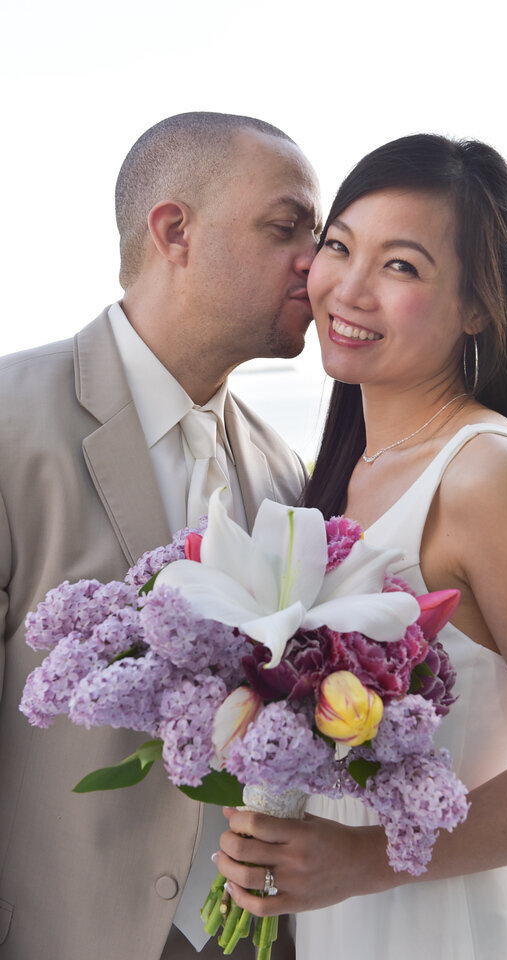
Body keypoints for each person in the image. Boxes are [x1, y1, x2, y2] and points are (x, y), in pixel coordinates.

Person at [216, 134, 507, 958]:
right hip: (340, 921)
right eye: (339, 247)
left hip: (447, 924)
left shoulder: (483, 474)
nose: (349, 287)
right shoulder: (338, 473)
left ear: (479, 305)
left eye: (401, 267)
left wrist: (364, 860)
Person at [0, 111, 321, 960]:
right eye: (286, 227)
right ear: (174, 230)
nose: (317, 263)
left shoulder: (288, 478)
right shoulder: (6, 427)